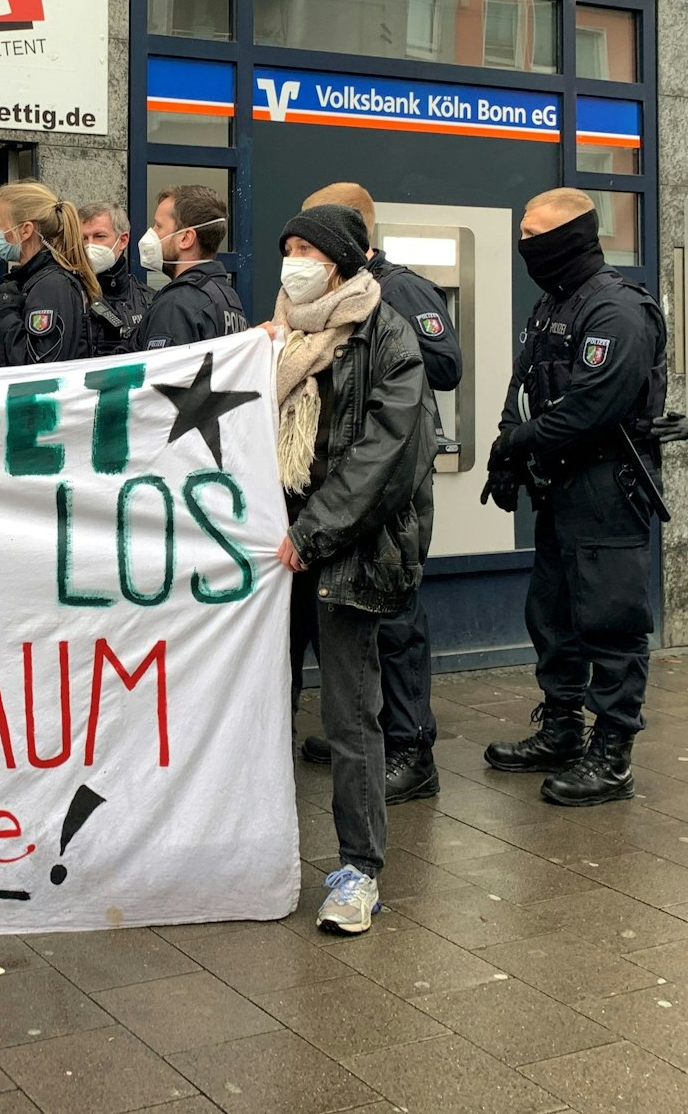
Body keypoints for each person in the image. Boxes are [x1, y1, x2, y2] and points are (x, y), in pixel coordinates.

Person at [266, 204, 434, 934]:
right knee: (259, 704)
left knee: (349, 715)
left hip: (342, 549)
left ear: (339, 260)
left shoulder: (385, 334)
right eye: (288, 247)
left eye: (306, 248)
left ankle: (359, 871)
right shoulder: (279, 334)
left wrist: (315, 531)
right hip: (279, 549)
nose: (294, 260)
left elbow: (387, 456)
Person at [481, 188, 667, 807]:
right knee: (554, 614)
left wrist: (517, 445)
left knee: (610, 621)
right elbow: (524, 382)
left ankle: (613, 756)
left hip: (608, 484)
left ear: (575, 235)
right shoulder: (553, 304)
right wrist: (507, 444)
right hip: (559, 485)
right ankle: (562, 728)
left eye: (535, 234)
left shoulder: (618, 311)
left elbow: (593, 409)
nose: (526, 245)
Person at [297, 183, 460, 804]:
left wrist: (381, 350)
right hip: (343, 486)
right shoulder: (322, 301)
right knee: (352, 613)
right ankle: (366, 731)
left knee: (394, 616)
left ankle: (411, 747)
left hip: (391, 483)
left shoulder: (401, 292)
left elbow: (447, 364)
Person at [0, 180, 97, 365]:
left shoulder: (52, 285)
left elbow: (40, 365)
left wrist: (6, 313)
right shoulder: (31, 281)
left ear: (25, 230)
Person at [136, 185, 246, 348]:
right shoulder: (229, 298)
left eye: (158, 226)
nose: (152, 233)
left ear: (186, 238)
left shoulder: (176, 305)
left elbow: (164, 371)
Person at [80, 201, 152, 355]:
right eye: (84, 239)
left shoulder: (148, 300)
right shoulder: (69, 296)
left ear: (123, 240)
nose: (90, 246)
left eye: (99, 236)